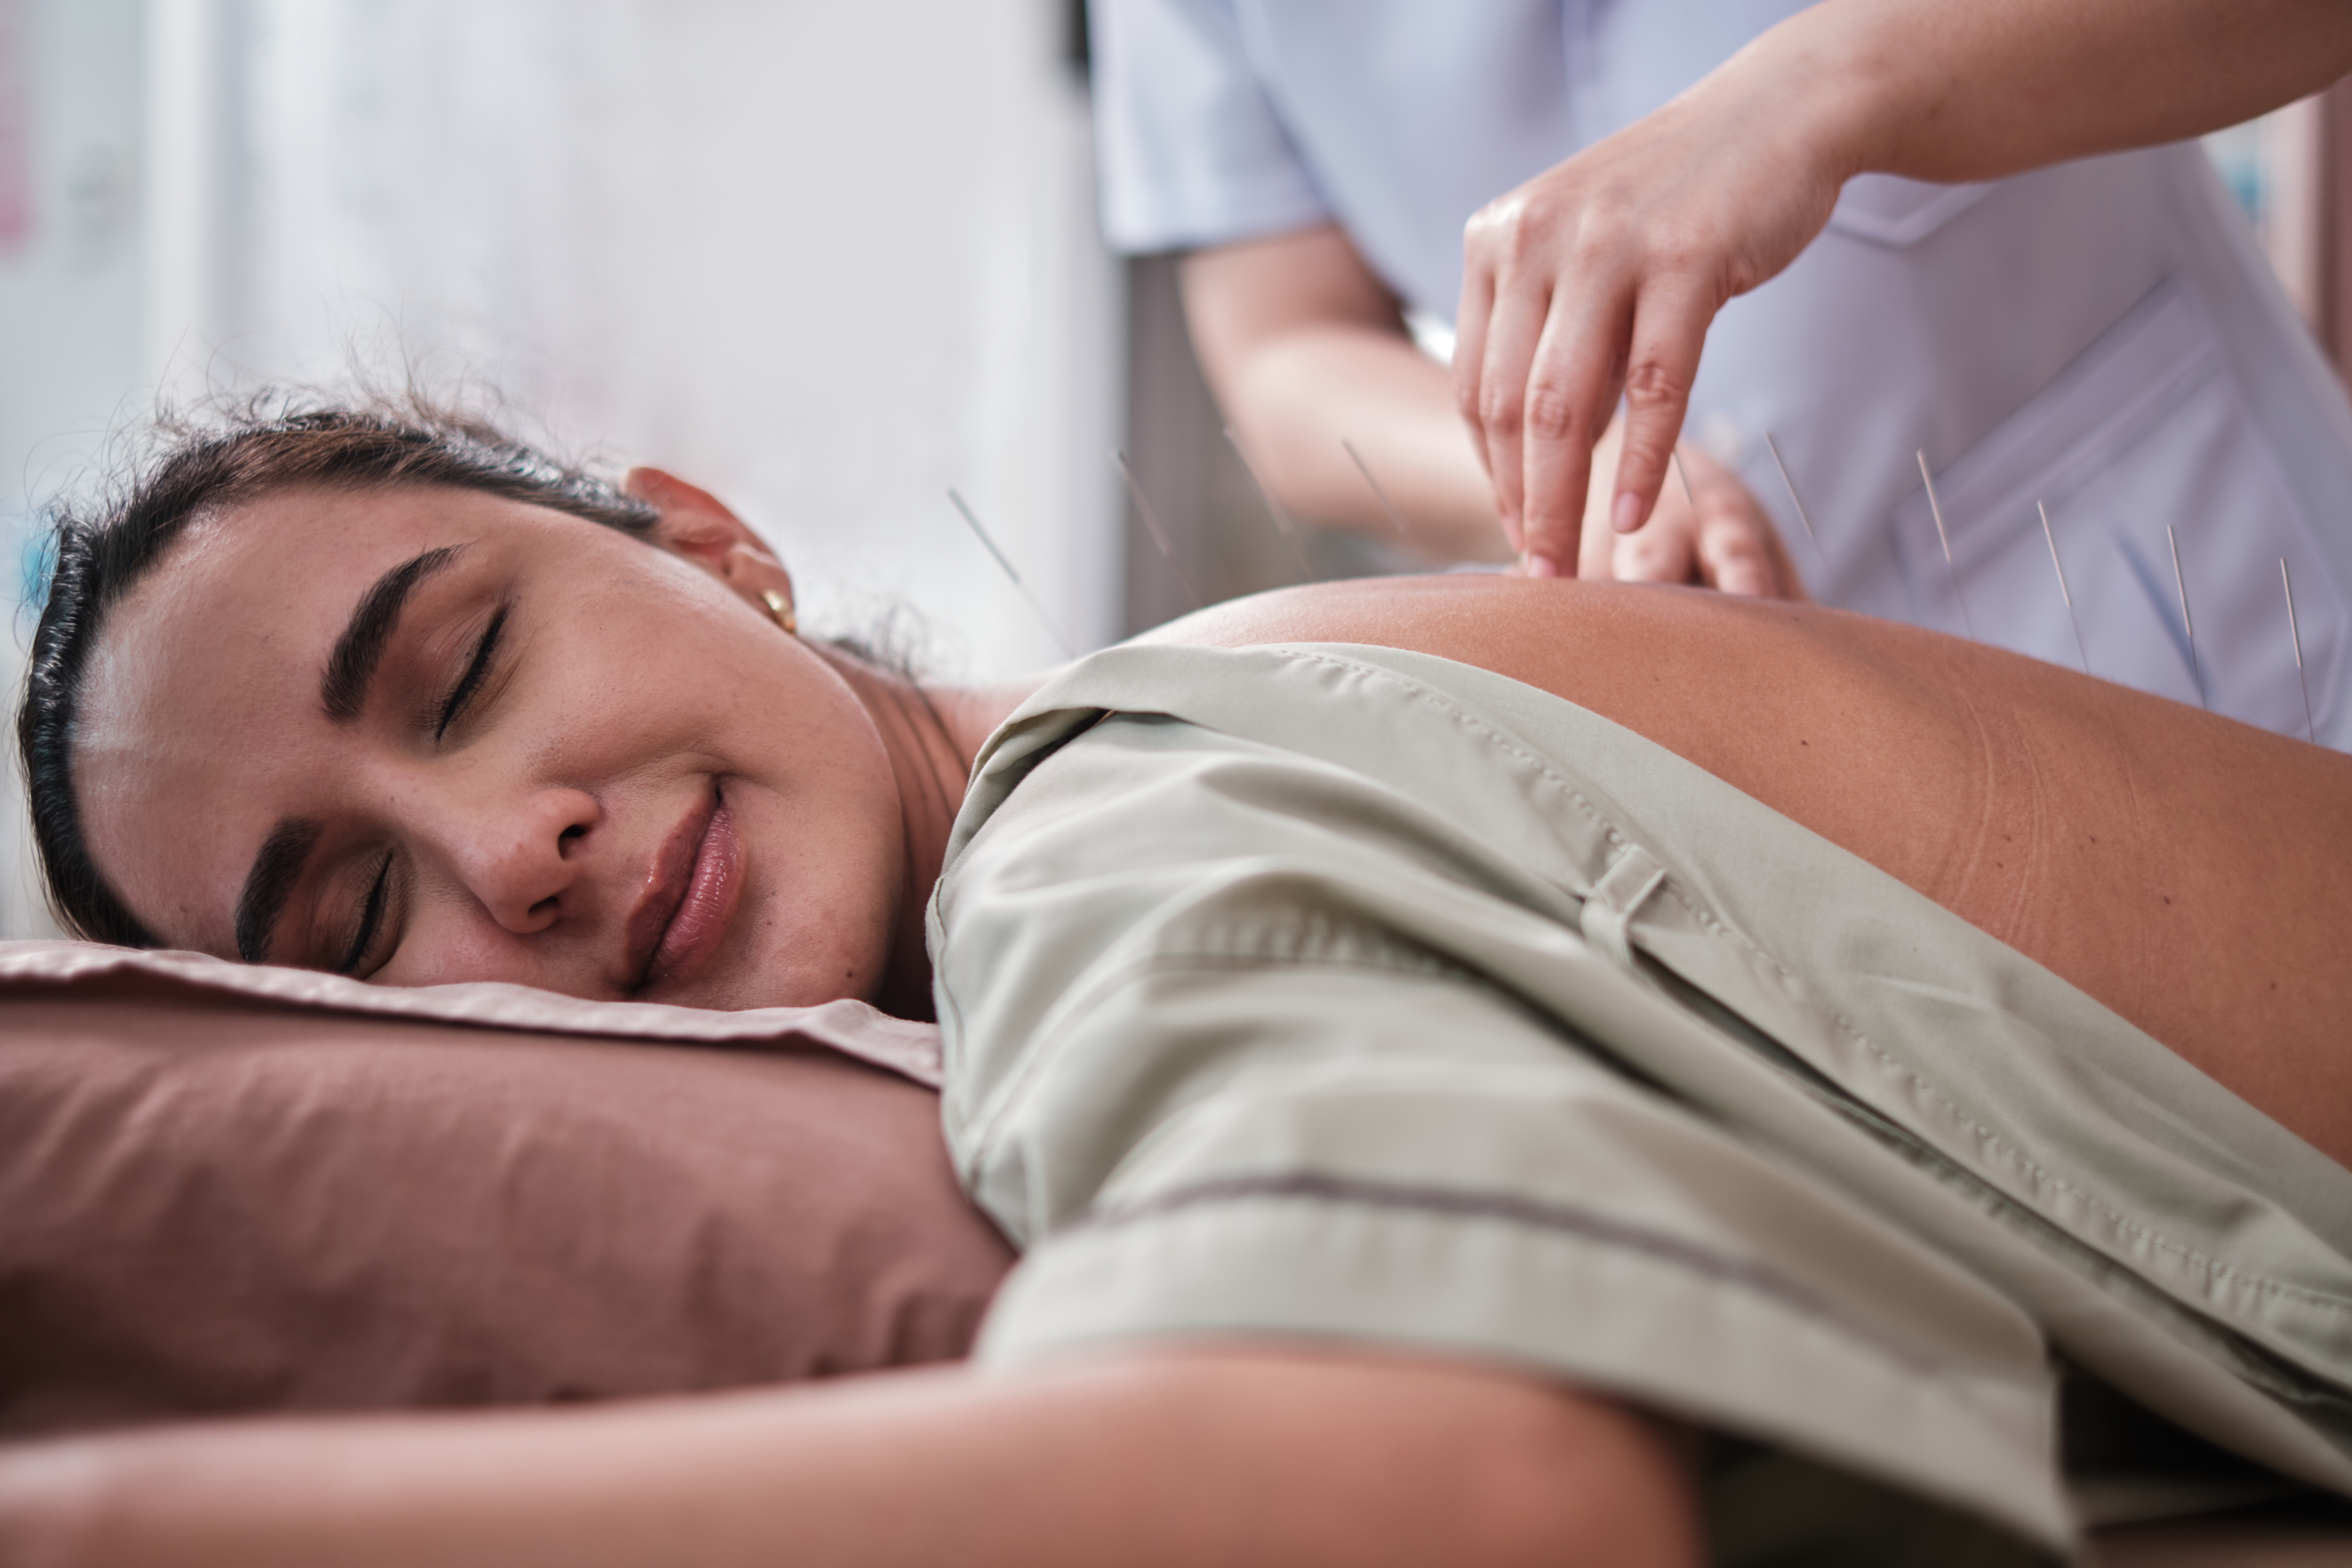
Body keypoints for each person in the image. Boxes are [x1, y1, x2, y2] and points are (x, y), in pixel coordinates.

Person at [4, 393, 2352, 1565]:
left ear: (716, 540)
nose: (508, 848)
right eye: (350, 925)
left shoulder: (1114, 825)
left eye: (469, 666)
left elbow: (1471, 1477)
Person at [1096, 0, 2352, 743]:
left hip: (2225, 606)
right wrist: (1567, 475)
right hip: (1749, 751)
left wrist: (1826, 83)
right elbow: (1284, 356)